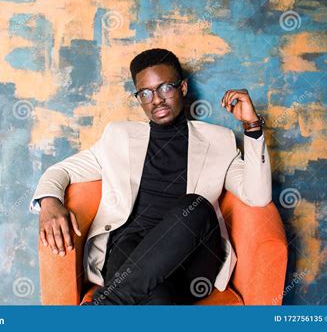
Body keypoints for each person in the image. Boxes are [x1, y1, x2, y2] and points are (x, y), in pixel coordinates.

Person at [29, 48, 271, 305]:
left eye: (165, 88)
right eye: (145, 93)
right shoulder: (118, 137)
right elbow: (61, 170)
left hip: (193, 260)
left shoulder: (219, 140)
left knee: (195, 206)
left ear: (183, 88)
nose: (156, 100)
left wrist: (252, 127)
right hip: (130, 250)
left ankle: (105, 306)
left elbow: (257, 196)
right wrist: (49, 203)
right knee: (158, 298)